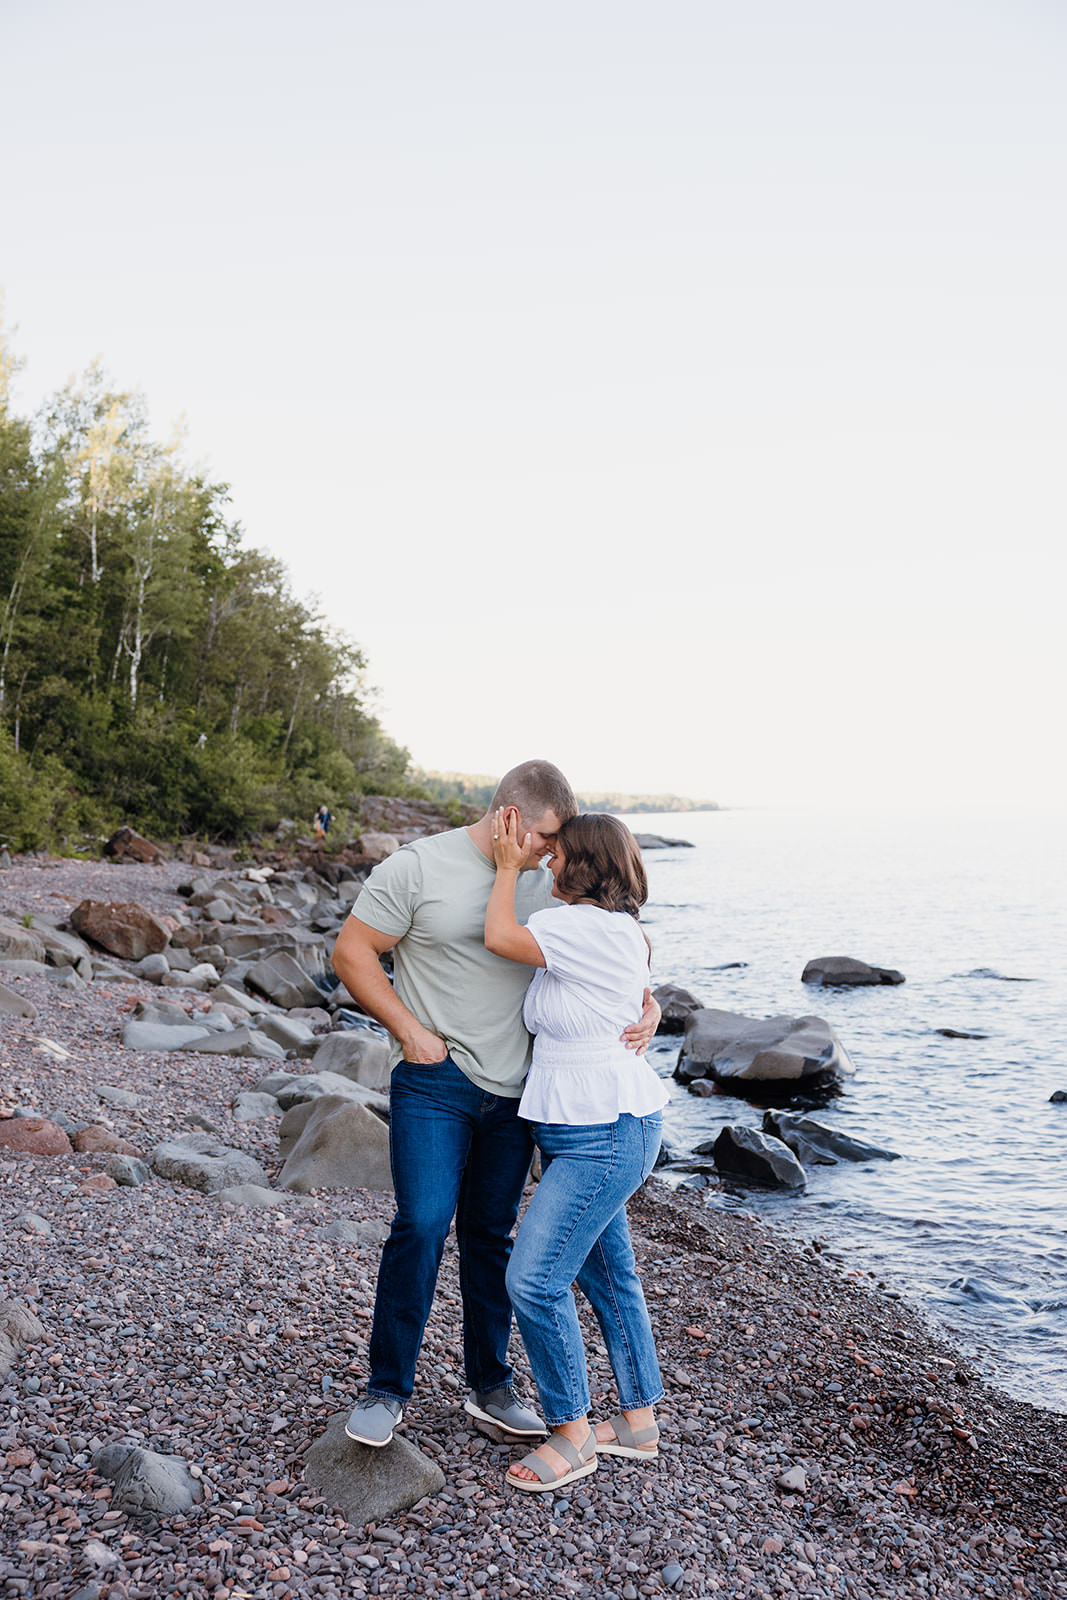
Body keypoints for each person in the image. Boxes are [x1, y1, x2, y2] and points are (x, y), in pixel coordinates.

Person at [330, 760, 661, 1449]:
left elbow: (617, 944)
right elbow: (353, 952)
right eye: (544, 837)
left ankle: (491, 1385)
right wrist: (408, 1032)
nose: (551, 854)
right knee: (421, 1224)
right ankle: (385, 1389)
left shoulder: (549, 881)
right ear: (509, 816)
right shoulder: (417, 867)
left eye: (558, 843)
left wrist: (646, 1004)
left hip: (523, 1092)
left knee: (490, 1238)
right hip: (436, 1078)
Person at [484, 807, 669, 1493]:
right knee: (607, 1275)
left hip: (603, 1131)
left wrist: (505, 869)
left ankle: (571, 1432)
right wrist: (651, 1009)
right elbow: (634, 996)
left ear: (582, 863)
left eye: (555, 855)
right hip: (592, 1125)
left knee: (533, 1280)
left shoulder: (576, 926)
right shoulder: (615, 931)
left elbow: (499, 935)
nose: (544, 861)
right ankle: (638, 1422)